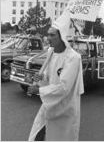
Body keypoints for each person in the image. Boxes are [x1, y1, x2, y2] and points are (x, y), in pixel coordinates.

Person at [28, 10, 84, 141]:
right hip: (50, 104)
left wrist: (39, 90)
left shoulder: (73, 58)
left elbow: (64, 87)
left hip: (65, 108)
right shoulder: (51, 52)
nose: (48, 38)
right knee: (36, 135)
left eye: (52, 35)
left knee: (60, 137)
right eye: (48, 34)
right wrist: (40, 79)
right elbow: (48, 78)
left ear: (62, 36)